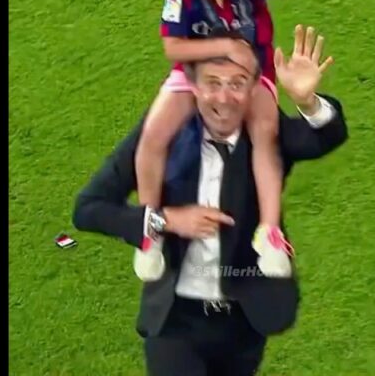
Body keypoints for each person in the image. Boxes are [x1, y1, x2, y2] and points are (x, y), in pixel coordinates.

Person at [73, 24, 347, 376]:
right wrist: (166, 220)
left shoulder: (265, 131)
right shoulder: (158, 137)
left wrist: (308, 101)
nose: (224, 98)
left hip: (244, 318)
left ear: (253, 87)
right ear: (192, 86)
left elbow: (324, 138)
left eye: (236, 83)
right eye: (212, 83)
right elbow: (89, 208)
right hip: (175, 321)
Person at [134, 0, 294, 282]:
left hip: (250, 75)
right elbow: (174, 49)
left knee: (265, 133)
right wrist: (223, 47)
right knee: (153, 136)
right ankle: (150, 227)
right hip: (195, 75)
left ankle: (270, 233)